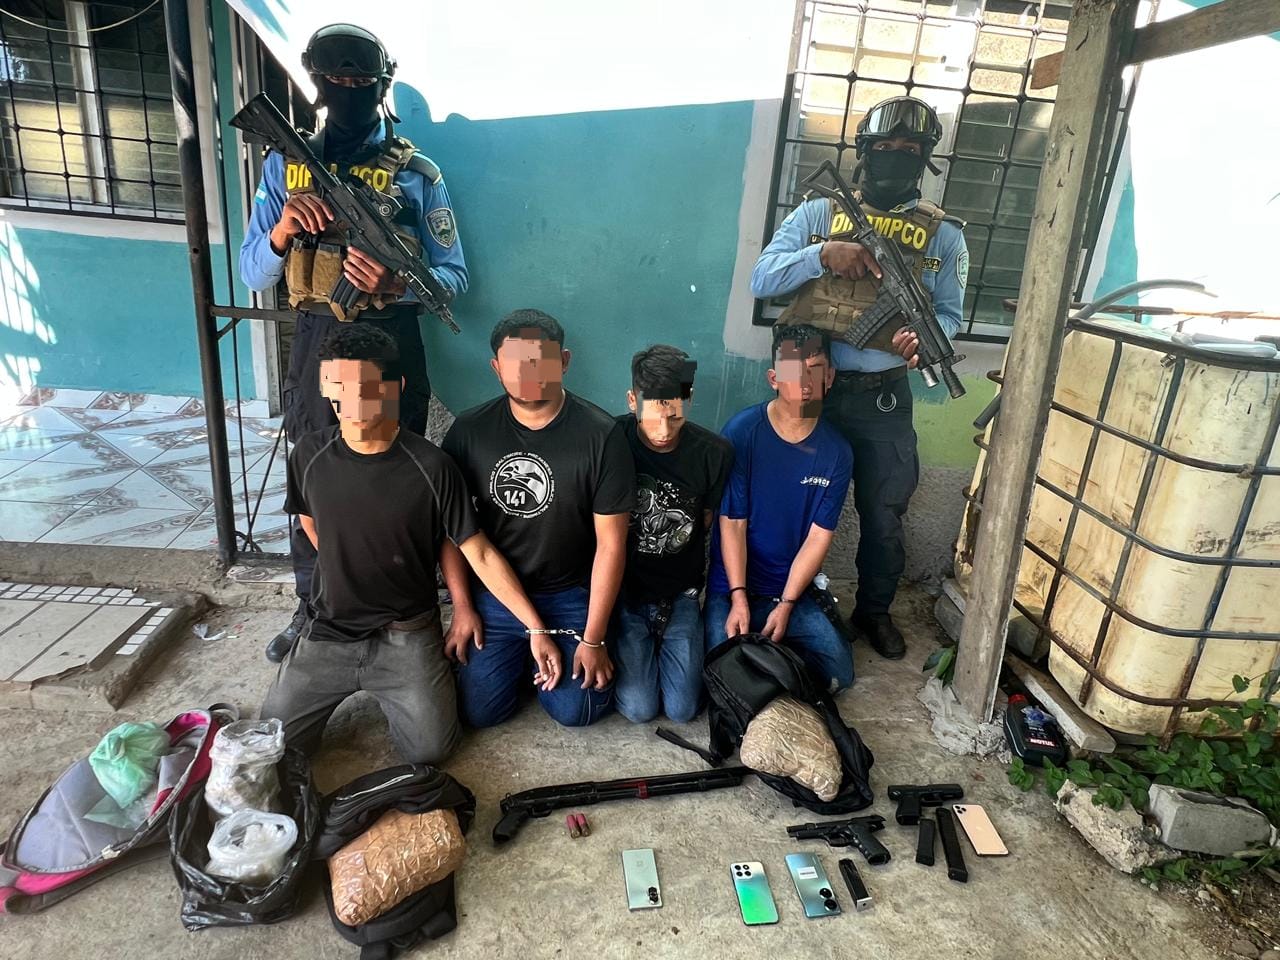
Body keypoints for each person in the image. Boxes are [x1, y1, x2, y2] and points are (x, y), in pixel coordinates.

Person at [239, 23, 469, 663]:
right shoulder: (284, 166)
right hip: (319, 338)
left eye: (360, 81)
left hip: (392, 339)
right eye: (335, 80)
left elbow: (454, 277)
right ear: (316, 84)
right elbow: (252, 273)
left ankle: (405, 609)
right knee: (314, 477)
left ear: (381, 86)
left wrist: (397, 282)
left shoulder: (419, 174)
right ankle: (313, 609)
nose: (347, 90)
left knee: (399, 478)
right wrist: (283, 230)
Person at [259, 324, 561, 765]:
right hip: (329, 630)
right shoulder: (308, 455)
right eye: (337, 386)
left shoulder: (432, 467)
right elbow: (309, 520)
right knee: (272, 745)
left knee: (431, 750)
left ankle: (425, 676)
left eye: (364, 387)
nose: (349, 401)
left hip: (406, 634)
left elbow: (473, 548)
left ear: (394, 388)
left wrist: (527, 625)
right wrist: (348, 567)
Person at [750, 96, 968, 660]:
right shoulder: (818, 214)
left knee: (884, 512)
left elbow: (949, 314)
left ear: (926, 159)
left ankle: (873, 611)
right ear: (864, 152)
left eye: (910, 150)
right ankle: (775, 598)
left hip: (883, 396)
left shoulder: (945, 235)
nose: (897, 157)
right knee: (783, 500)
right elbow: (761, 279)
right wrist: (823, 255)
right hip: (806, 388)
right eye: (885, 147)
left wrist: (924, 338)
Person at [441, 310, 635, 728]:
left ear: (563, 361)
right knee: (478, 712)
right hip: (497, 593)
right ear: (496, 368)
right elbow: (454, 532)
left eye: (540, 361)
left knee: (575, 711)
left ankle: (548, 657)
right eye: (514, 363)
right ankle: (523, 655)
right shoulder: (469, 431)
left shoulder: (601, 435)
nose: (527, 373)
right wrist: (462, 606)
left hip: (570, 593)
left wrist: (593, 637)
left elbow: (611, 545)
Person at [704, 324, 855, 693]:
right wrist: (738, 597)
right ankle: (768, 654)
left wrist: (787, 604)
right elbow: (733, 524)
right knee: (718, 674)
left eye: (815, 370)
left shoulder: (837, 452)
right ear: (774, 378)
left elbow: (819, 537)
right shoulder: (742, 433)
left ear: (830, 377)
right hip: (733, 587)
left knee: (840, 673)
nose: (805, 383)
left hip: (789, 589)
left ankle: (776, 648)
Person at [612, 346, 733, 724]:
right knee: (639, 708)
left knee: (682, 710)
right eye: (652, 417)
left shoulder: (713, 453)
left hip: (681, 594)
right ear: (632, 401)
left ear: (688, 399)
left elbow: (707, 520)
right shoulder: (609, 441)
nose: (664, 431)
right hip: (625, 594)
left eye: (675, 416)